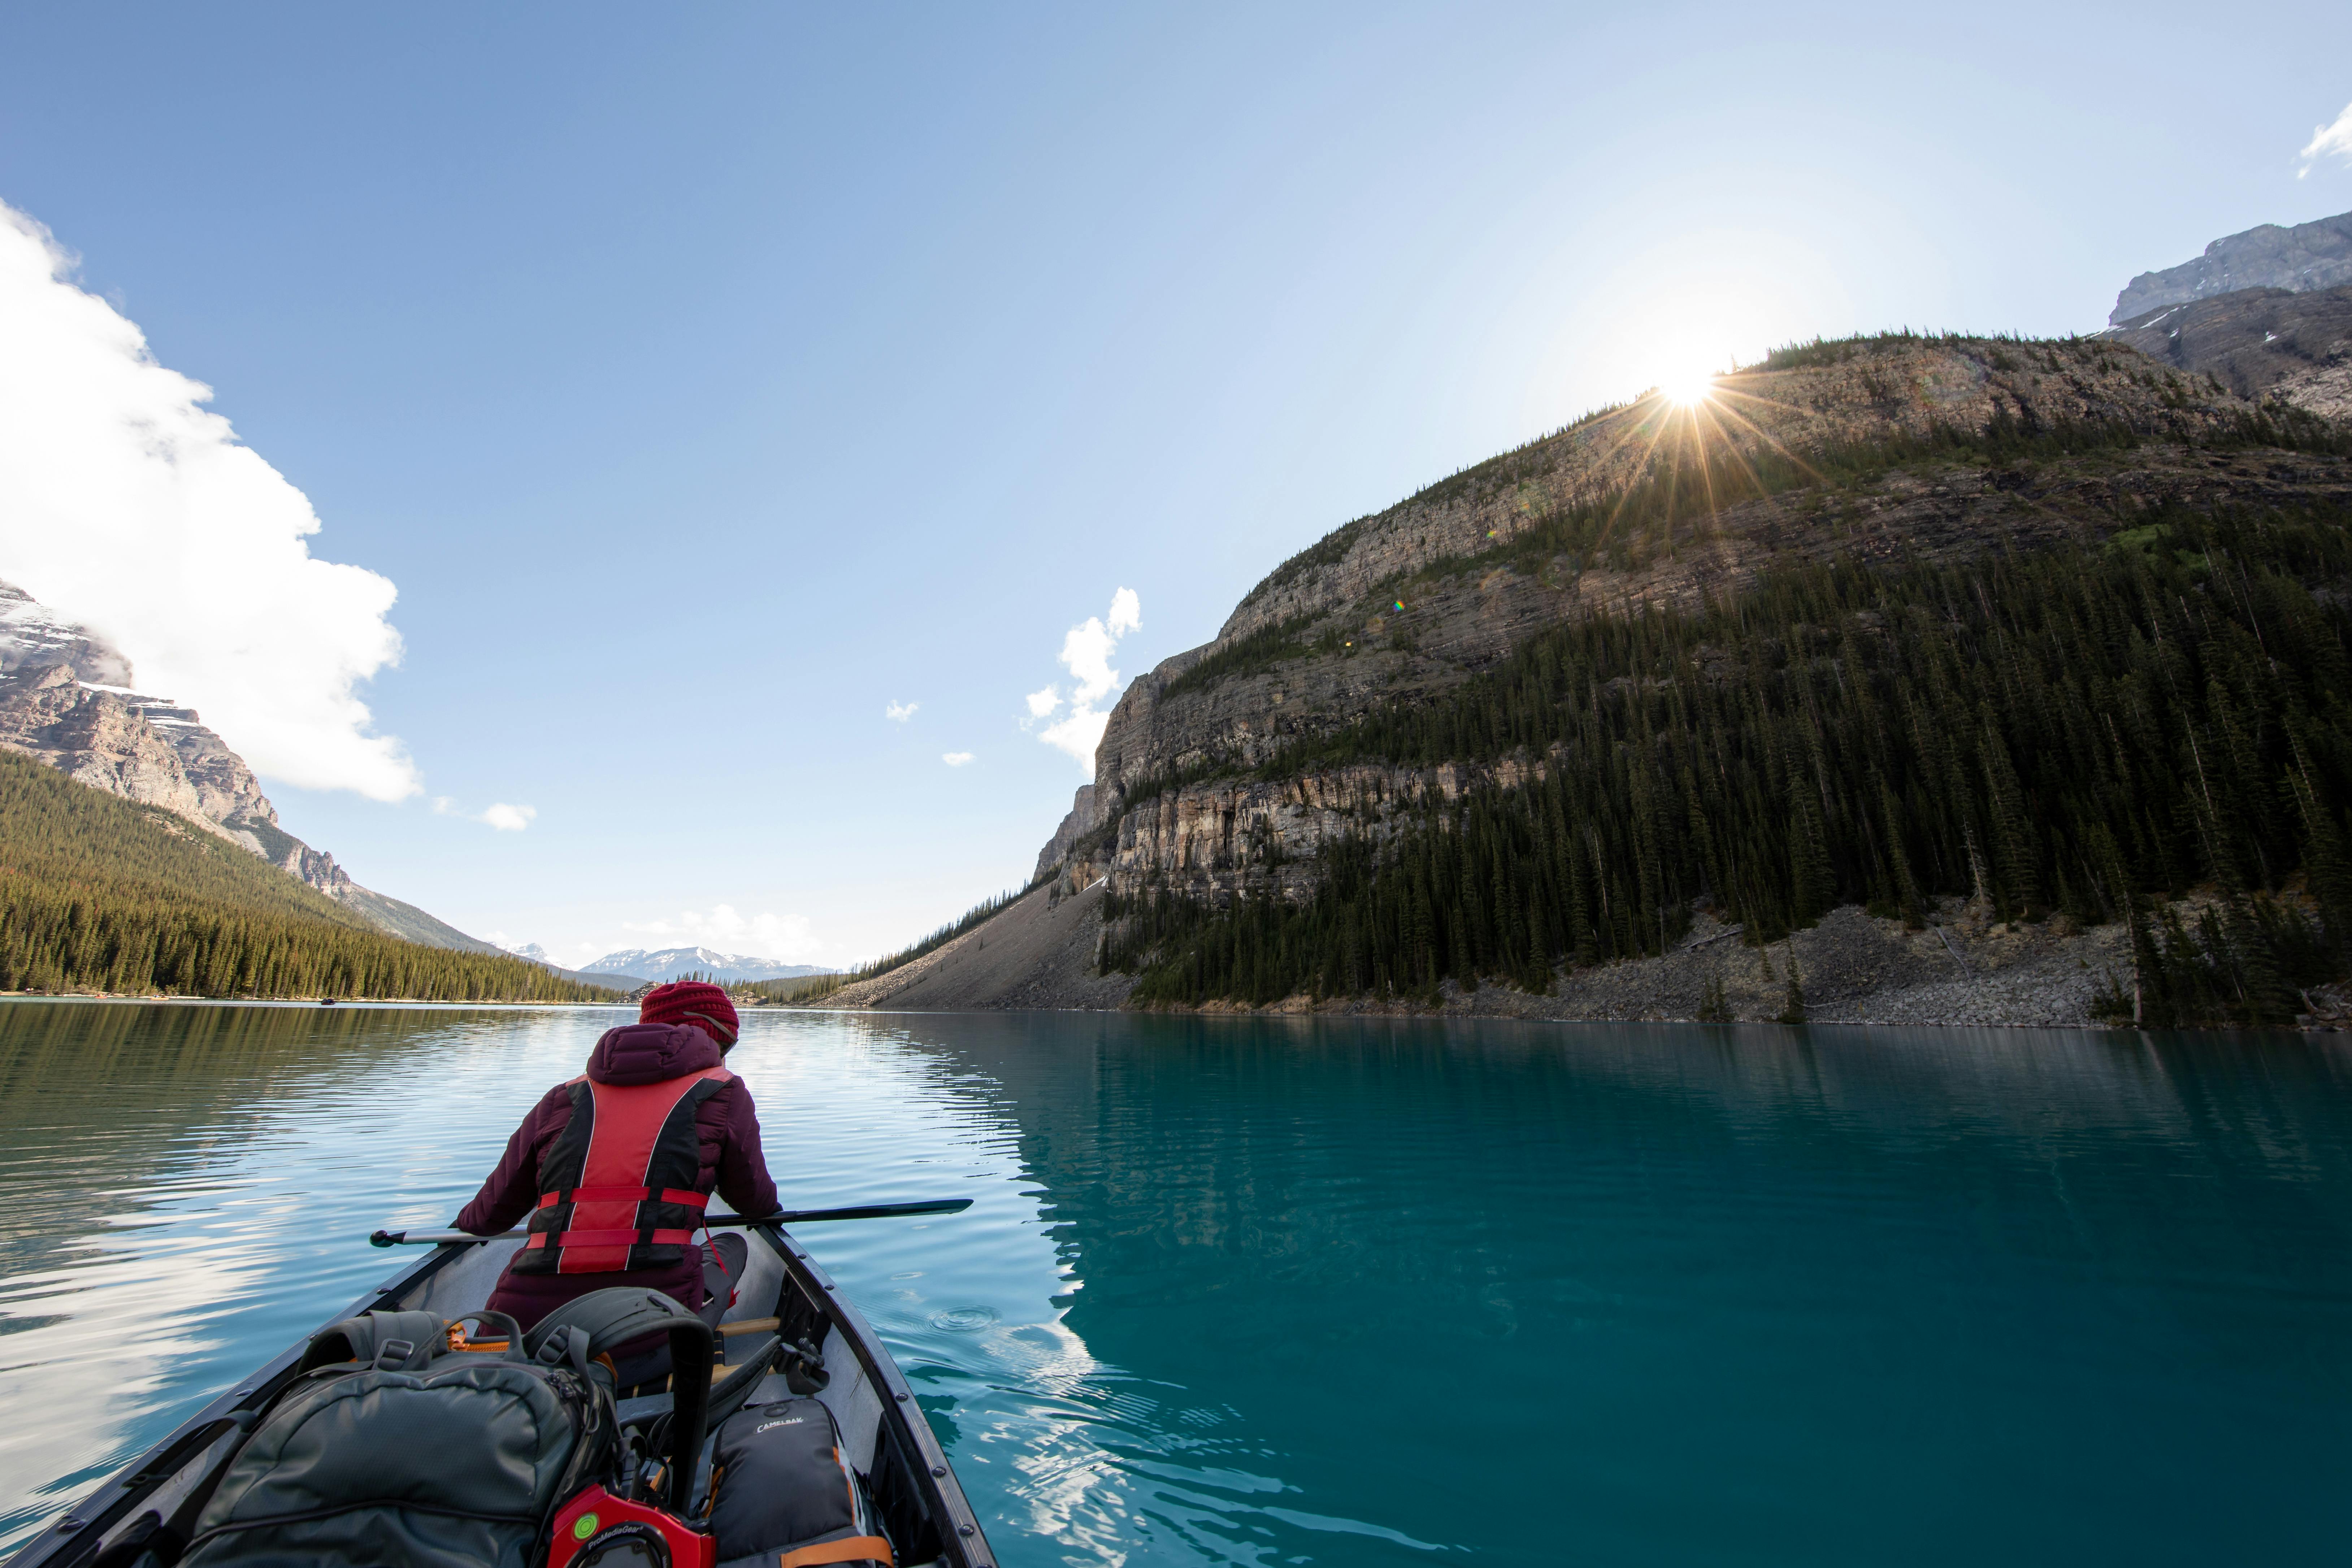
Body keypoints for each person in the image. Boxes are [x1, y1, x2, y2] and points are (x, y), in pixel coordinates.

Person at [456, 980, 777, 1350]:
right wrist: (770, 1211)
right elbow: (754, 1199)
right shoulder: (724, 1091)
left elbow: (487, 1217)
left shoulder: (564, 1095)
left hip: (520, 1331)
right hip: (648, 1334)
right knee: (733, 1247)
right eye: (729, 1046)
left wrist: (461, 1227)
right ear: (714, 1039)